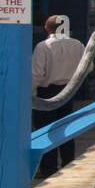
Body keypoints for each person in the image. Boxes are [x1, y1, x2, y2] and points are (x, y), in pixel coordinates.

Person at [31, 15, 86, 179]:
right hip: (69, 89)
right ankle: (68, 163)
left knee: (46, 130)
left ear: (46, 29)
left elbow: (36, 74)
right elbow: (87, 67)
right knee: (66, 128)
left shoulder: (43, 46)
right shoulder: (78, 45)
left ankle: (48, 168)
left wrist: (31, 93)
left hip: (46, 92)